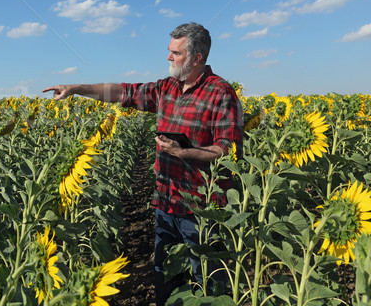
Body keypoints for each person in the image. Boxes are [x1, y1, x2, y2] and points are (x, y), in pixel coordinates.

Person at [42, 22, 243, 305]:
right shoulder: (165, 88)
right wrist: (76, 88)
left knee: (207, 284)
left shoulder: (220, 93)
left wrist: (185, 153)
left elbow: (228, 151)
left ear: (197, 58)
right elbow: (122, 92)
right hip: (165, 203)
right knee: (166, 283)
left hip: (203, 211)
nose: (169, 57)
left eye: (176, 52)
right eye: (169, 51)